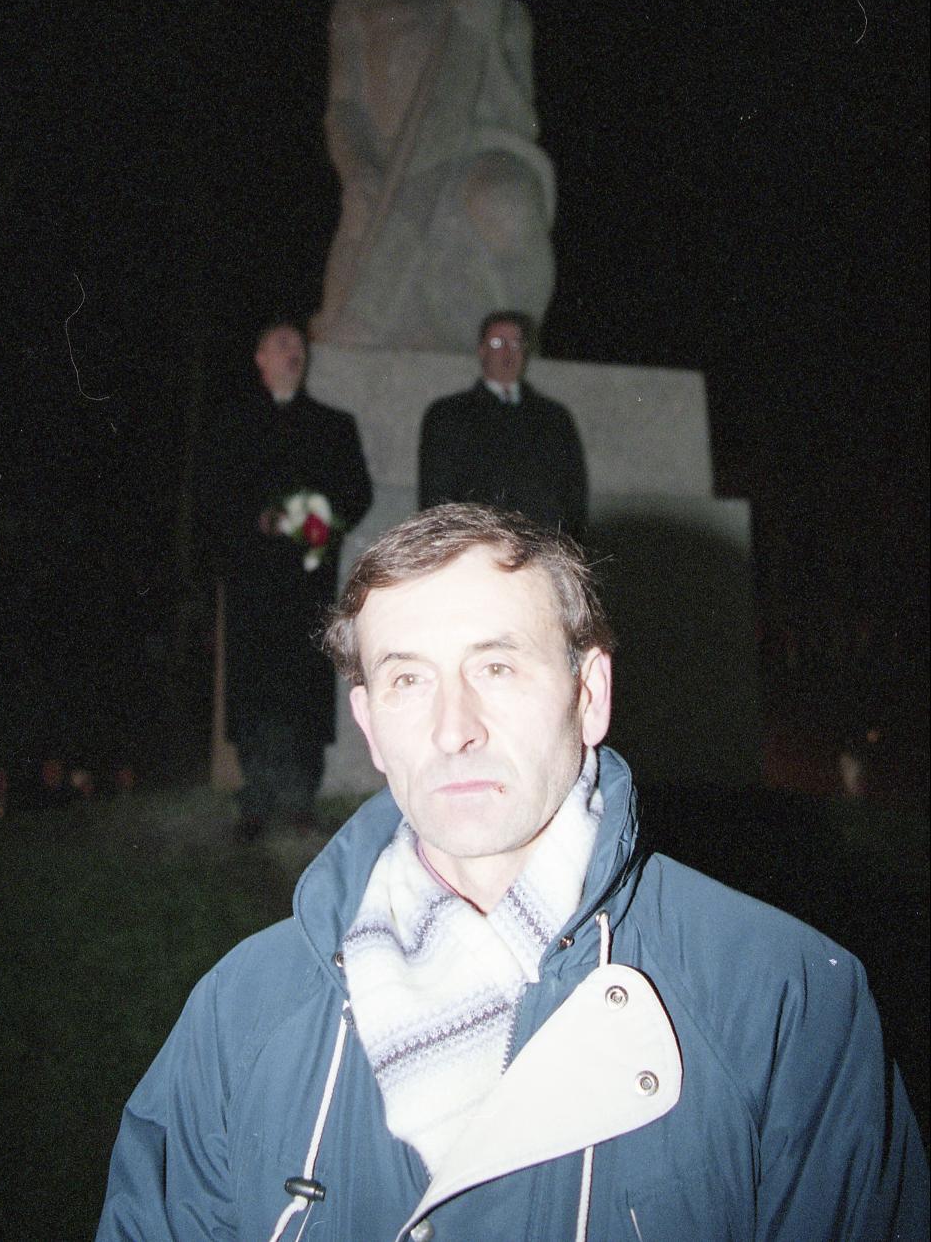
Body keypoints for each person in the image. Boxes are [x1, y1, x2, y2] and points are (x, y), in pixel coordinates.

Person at [97, 504, 927, 1242]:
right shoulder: (238, 1012)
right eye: (408, 678)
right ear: (370, 724)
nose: (453, 727)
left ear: (589, 692)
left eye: (496, 666)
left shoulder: (782, 1001)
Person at [309, 0, 557, 351]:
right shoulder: (361, 7)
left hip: (477, 151)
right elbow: (345, 109)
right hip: (392, 162)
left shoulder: (504, 11)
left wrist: (484, 36)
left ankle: (515, 339)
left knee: (507, 201)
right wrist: (359, 169)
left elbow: (522, 119)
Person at [196, 319, 372, 835]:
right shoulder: (233, 425)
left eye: (297, 344)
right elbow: (214, 495)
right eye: (280, 344)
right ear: (260, 358)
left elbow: (356, 493)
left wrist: (319, 520)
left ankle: (300, 799)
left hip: (306, 580)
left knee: (304, 686)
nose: (292, 351)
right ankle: (255, 798)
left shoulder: (333, 425)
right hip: (252, 578)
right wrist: (257, 519)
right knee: (253, 686)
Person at [418, 310, 588, 537]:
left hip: (541, 541)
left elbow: (573, 493)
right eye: (498, 343)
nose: (508, 352)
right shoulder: (448, 414)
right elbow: (436, 494)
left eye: (516, 344)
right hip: (477, 541)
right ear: (482, 350)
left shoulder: (554, 417)